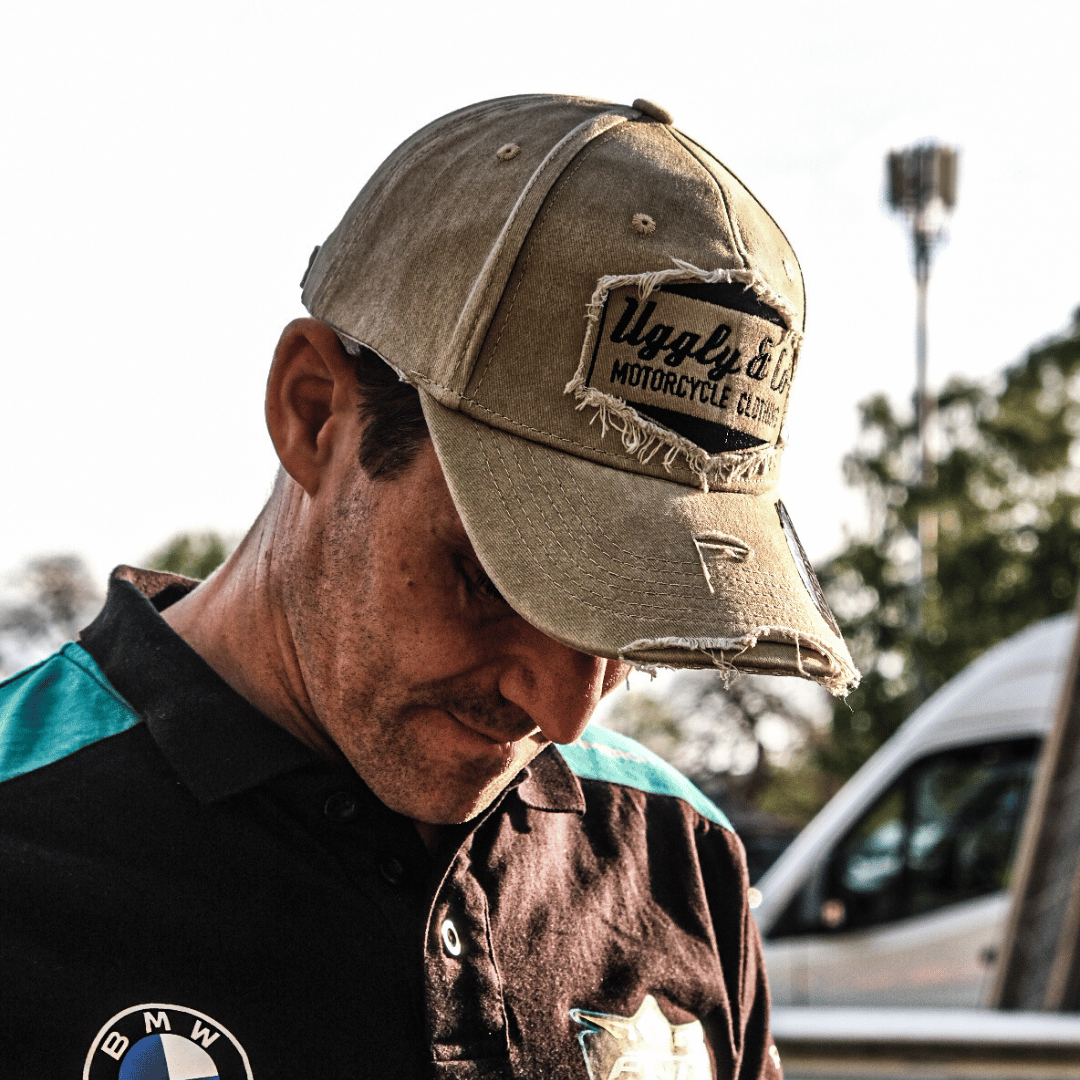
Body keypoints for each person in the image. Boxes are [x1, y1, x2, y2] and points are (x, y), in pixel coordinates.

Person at [0, 94, 857, 1079]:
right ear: (315, 412)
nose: (568, 712)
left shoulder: (679, 855)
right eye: (496, 580)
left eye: (628, 618)